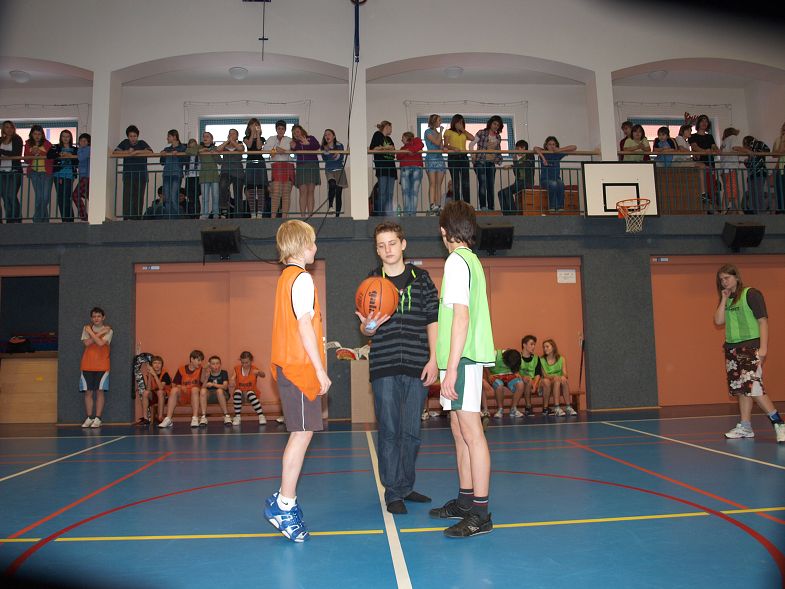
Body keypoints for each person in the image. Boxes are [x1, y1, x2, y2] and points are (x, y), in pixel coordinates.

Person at [356, 221, 439, 514]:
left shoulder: (422, 279)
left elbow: (433, 320)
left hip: (418, 364)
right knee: (390, 430)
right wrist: (368, 328)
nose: (387, 249)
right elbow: (365, 328)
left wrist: (434, 359)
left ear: (403, 244)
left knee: (412, 431)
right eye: (381, 245)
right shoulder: (371, 282)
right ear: (377, 250)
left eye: (392, 243)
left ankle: (405, 485)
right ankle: (393, 490)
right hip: (385, 364)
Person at [430, 200, 495, 538]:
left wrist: (453, 367)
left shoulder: (457, 261)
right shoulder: (471, 260)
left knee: (472, 432)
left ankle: (480, 514)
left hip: (463, 360)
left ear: (444, 231)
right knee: (459, 430)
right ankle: (466, 500)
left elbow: (461, 317)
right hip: (457, 360)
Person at [264, 220, 331, 542]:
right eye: (313, 242)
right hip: (299, 368)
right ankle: (284, 504)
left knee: (301, 434)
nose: (315, 248)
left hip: (288, 366)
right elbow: (304, 327)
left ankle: (283, 500)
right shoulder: (302, 279)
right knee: (301, 435)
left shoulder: (285, 278)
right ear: (303, 245)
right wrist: (320, 370)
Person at [714, 264, 784, 443]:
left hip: (750, 347)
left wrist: (764, 348)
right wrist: (723, 299)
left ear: (736, 277)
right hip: (732, 348)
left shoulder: (751, 294)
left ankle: (779, 424)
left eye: (727, 278)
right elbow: (718, 320)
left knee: (753, 387)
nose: (724, 282)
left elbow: (763, 321)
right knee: (741, 389)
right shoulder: (727, 298)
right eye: (721, 279)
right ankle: (745, 426)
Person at [80, 307, 113, 428]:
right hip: (87, 364)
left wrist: (91, 332)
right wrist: (97, 332)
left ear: (103, 317)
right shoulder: (86, 329)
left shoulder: (109, 330)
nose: (96, 318)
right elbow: (86, 343)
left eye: (99, 316)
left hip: (102, 365)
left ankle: (98, 418)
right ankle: (89, 417)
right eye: (94, 316)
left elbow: (100, 343)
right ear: (91, 318)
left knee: (100, 392)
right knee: (88, 392)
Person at [113, 125, 153, 220]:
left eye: (134, 136)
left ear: (137, 136)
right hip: (128, 174)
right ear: (128, 136)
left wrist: (136, 152)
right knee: (127, 196)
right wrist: (127, 151)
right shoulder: (125, 142)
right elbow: (115, 152)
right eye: (131, 136)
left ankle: (137, 218)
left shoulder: (142, 143)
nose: (133, 138)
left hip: (141, 175)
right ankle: (127, 217)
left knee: (139, 197)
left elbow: (150, 152)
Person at [159, 350, 205, 428]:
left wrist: (205, 372)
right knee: (174, 390)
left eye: (201, 360)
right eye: (198, 360)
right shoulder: (181, 369)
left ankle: (195, 418)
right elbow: (174, 384)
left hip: (195, 397)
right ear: (192, 359)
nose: (200, 362)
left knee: (195, 389)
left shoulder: (202, 369)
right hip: (183, 395)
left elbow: (203, 384)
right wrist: (180, 386)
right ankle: (168, 418)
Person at [534, 136, 577, 212]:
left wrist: (559, 150)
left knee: (561, 183)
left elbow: (574, 147)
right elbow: (535, 148)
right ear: (546, 146)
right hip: (545, 180)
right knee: (553, 184)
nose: (552, 146)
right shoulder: (544, 152)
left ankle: (560, 207)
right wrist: (543, 158)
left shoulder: (558, 154)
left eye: (553, 144)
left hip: (556, 179)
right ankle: (552, 206)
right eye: (549, 144)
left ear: (556, 145)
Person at [472, 115, 503, 211]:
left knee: (490, 185)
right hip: (480, 162)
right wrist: (473, 156)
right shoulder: (481, 133)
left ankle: (491, 207)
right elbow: (471, 144)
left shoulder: (498, 137)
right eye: (494, 124)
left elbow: (498, 151)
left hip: (491, 163)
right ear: (490, 123)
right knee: (483, 183)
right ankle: (483, 207)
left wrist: (499, 162)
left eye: (498, 125)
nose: (496, 126)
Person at [688, 114, 719, 211]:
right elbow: (694, 147)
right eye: (702, 121)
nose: (704, 123)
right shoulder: (693, 136)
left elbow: (714, 147)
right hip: (699, 164)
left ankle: (712, 210)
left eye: (706, 121)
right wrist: (705, 151)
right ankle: (703, 210)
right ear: (698, 123)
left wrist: (716, 150)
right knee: (701, 188)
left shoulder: (709, 136)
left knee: (711, 188)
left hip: (710, 164)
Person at [264, 120, 294, 218]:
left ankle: (284, 217)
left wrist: (279, 150)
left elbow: (291, 150)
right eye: (279, 128)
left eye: (282, 129)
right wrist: (277, 149)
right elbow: (265, 149)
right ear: (276, 129)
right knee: (276, 192)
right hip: (276, 166)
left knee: (286, 193)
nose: (281, 130)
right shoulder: (271, 138)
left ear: (285, 130)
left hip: (288, 166)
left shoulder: (289, 139)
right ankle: (273, 217)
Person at [229, 351, 268, 426]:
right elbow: (232, 378)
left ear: (251, 361)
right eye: (242, 362)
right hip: (240, 396)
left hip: (252, 396)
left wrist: (259, 372)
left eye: (246, 362)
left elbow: (263, 375)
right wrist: (232, 381)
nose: (244, 364)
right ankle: (237, 416)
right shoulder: (237, 369)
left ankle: (261, 416)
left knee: (250, 393)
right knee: (237, 391)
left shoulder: (254, 369)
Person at [24, 125, 53, 223]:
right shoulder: (28, 144)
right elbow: (26, 160)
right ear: (31, 134)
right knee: (39, 197)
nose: (37, 136)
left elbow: (51, 158)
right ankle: (44, 221)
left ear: (42, 135)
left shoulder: (47, 144)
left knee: (45, 197)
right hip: (34, 173)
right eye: (35, 134)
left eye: (39, 134)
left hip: (46, 173)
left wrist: (40, 152)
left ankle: (36, 219)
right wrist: (32, 153)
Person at [540, 338, 577, 416]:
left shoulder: (561, 359)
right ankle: (557, 408)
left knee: (563, 379)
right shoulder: (541, 360)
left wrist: (562, 377)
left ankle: (568, 407)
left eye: (547, 346)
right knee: (556, 380)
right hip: (547, 383)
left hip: (558, 382)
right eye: (544, 347)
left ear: (553, 347)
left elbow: (565, 374)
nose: (545, 349)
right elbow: (545, 375)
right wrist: (555, 376)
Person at [47, 129, 78, 222]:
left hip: (69, 175)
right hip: (58, 175)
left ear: (70, 138)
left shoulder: (75, 149)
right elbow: (49, 155)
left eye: (67, 136)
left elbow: (78, 161)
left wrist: (70, 155)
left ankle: (70, 220)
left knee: (67, 197)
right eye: (63, 136)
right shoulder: (55, 147)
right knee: (60, 198)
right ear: (60, 137)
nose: (65, 138)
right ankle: (65, 220)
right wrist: (59, 154)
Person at [290, 124, 321, 216]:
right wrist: (293, 147)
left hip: (312, 165)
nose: (296, 134)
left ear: (302, 131)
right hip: (301, 166)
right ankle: (303, 216)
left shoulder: (311, 138)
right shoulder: (295, 142)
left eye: (297, 131)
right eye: (294, 133)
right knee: (302, 191)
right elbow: (293, 150)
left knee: (311, 191)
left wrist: (308, 143)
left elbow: (317, 146)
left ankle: (310, 215)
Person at [443, 114, 474, 204]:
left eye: (461, 122)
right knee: (456, 183)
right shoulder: (448, 131)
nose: (460, 124)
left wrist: (463, 130)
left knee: (466, 182)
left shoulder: (464, 132)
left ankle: (467, 204)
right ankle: (457, 205)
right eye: (458, 122)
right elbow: (445, 145)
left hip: (464, 158)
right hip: (453, 158)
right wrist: (453, 148)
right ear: (454, 122)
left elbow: (472, 138)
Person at [498, 139, 534, 214]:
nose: (516, 151)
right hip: (519, 182)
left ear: (523, 148)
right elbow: (516, 174)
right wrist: (514, 161)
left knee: (507, 191)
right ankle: (506, 214)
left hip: (527, 182)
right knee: (500, 193)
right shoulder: (519, 160)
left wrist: (511, 165)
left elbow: (526, 165)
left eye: (517, 148)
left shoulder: (530, 155)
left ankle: (514, 213)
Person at [369, 120, 397, 216]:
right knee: (382, 193)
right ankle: (380, 215)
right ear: (387, 127)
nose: (391, 130)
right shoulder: (377, 135)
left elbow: (393, 151)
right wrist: (386, 148)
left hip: (391, 168)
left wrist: (384, 148)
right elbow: (373, 148)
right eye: (391, 127)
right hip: (382, 167)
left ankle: (388, 215)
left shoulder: (389, 139)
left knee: (390, 193)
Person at [487, 348, 524, 418]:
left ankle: (513, 409)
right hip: (496, 375)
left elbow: (516, 366)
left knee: (520, 384)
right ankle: (500, 409)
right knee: (499, 385)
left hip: (509, 375)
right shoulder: (494, 354)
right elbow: (485, 366)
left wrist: (516, 372)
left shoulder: (517, 356)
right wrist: (489, 375)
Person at [740, 135, 773, 213]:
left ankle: (760, 213)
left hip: (759, 172)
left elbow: (767, 150)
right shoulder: (751, 149)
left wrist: (750, 153)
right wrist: (746, 161)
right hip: (751, 174)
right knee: (752, 195)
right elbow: (751, 164)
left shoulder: (759, 143)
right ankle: (755, 213)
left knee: (758, 194)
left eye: (745, 144)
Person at [244, 118, 269, 218]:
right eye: (252, 125)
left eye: (256, 125)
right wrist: (252, 134)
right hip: (250, 163)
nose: (254, 126)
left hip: (260, 163)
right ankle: (252, 213)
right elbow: (249, 145)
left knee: (261, 189)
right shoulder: (245, 138)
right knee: (251, 189)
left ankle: (260, 213)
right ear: (249, 127)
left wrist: (258, 134)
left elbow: (259, 147)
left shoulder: (262, 138)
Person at [218, 128, 246, 217]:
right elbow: (218, 149)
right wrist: (227, 141)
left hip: (238, 172)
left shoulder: (240, 144)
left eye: (233, 133)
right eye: (230, 133)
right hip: (225, 171)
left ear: (237, 136)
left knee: (238, 194)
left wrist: (233, 141)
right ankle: (224, 210)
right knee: (222, 186)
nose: (231, 135)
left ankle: (238, 215)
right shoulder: (225, 145)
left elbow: (240, 149)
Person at [0, 120, 23, 223]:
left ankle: (17, 220)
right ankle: (9, 221)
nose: (9, 129)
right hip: (2, 172)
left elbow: (15, 154)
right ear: (3, 129)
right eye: (6, 127)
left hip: (14, 171)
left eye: (11, 127)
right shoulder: (0, 140)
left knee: (11, 196)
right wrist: (5, 153)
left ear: (14, 129)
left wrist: (1, 152)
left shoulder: (17, 139)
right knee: (5, 197)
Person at [396, 131, 424, 216]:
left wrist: (408, 151)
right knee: (407, 192)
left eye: (403, 138)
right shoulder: (402, 148)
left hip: (414, 168)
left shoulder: (416, 140)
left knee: (413, 192)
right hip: (408, 168)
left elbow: (420, 145)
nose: (401, 140)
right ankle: (408, 214)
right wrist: (409, 151)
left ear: (407, 137)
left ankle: (411, 214)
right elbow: (398, 156)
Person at [159, 129, 186, 218]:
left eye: (169, 136)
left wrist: (178, 154)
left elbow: (185, 161)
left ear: (174, 137)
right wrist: (162, 155)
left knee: (174, 196)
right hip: (166, 174)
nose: (167, 138)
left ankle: (176, 219)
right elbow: (162, 162)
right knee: (167, 197)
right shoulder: (167, 149)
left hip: (176, 174)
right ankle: (168, 219)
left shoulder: (182, 148)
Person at [424, 114, 447, 215]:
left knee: (439, 184)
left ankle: (438, 205)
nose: (440, 122)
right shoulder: (427, 132)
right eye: (439, 120)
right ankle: (432, 205)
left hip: (440, 159)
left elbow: (440, 146)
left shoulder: (438, 133)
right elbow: (436, 143)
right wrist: (441, 132)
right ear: (434, 121)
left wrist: (444, 146)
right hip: (431, 159)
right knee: (432, 183)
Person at [321, 129, 347, 217]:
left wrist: (337, 154)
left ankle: (337, 216)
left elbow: (340, 158)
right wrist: (327, 151)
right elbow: (325, 159)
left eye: (329, 134)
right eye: (325, 135)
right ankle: (330, 206)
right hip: (329, 169)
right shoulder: (323, 147)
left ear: (334, 136)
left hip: (339, 170)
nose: (327, 136)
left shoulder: (339, 145)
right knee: (332, 184)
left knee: (339, 193)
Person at [200, 355, 231, 426]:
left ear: (220, 364)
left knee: (219, 391)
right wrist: (206, 378)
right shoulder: (207, 373)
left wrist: (213, 384)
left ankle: (226, 416)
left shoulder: (224, 372)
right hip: (210, 396)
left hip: (223, 395)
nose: (215, 366)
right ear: (210, 365)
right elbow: (202, 387)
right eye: (213, 364)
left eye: (217, 363)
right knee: (203, 391)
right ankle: (203, 417)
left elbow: (225, 387)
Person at [717, 127, 741, 212]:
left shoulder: (723, 142)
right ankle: (724, 210)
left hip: (724, 169)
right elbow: (735, 148)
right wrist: (747, 151)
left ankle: (739, 210)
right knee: (730, 189)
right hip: (731, 167)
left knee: (732, 189)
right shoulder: (733, 137)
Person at [197, 131, 220, 219]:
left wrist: (214, 154)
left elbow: (220, 161)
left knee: (215, 196)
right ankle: (205, 214)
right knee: (205, 197)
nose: (205, 138)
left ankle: (216, 214)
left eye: (207, 136)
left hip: (214, 175)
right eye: (204, 136)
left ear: (211, 139)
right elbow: (189, 151)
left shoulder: (215, 148)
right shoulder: (199, 147)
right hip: (204, 175)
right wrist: (201, 150)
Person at [142, 355, 170, 425]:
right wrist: (150, 374)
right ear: (152, 365)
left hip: (165, 397)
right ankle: (145, 418)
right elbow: (148, 389)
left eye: (159, 363)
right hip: (155, 396)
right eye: (155, 363)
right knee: (145, 392)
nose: (157, 365)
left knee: (160, 392)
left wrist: (154, 375)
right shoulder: (150, 373)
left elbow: (161, 387)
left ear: (162, 365)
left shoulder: (165, 374)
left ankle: (160, 417)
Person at [519, 335, 542, 416]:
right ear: (524, 345)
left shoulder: (536, 358)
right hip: (521, 380)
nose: (533, 347)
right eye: (531, 344)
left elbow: (538, 374)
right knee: (528, 380)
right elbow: (515, 372)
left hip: (533, 381)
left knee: (545, 382)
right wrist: (523, 377)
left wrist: (535, 385)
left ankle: (546, 408)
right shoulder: (517, 357)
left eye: (534, 344)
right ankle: (528, 406)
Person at [72, 133, 91, 221]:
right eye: (81, 141)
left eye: (85, 141)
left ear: (88, 142)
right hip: (84, 176)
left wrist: (77, 152)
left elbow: (81, 158)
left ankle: (84, 216)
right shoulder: (82, 149)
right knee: (87, 195)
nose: (83, 142)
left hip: (86, 176)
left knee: (75, 195)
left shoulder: (88, 149)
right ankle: (92, 215)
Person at [183, 138, 201, 218]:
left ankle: (197, 214)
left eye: (194, 144)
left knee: (195, 197)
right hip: (188, 176)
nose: (192, 146)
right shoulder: (187, 152)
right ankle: (191, 215)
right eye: (191, 144)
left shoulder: (199, 150)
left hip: (197, 176)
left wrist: (195, 150)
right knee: (190, 197)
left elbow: (196, 151)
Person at [772, 122, 785, 213]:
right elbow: (774, 154)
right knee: (780, 190)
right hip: (780, 168)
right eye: (783, 129)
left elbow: (781, 151)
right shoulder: (778, 139)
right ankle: (781, 210)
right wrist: (782, 141)